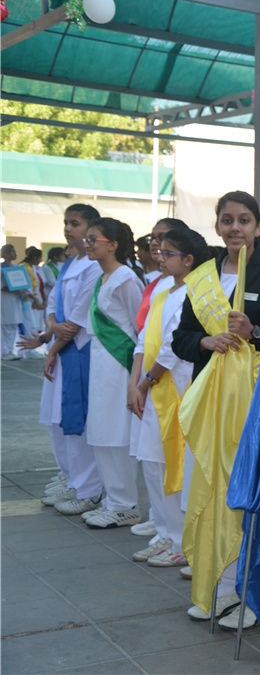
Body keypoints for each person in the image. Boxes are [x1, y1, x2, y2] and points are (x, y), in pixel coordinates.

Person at [171, 191, 260, 626]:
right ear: (217, 226)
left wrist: (254, 331)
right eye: (226, 220)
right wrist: (206, 340)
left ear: (258, 226)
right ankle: (216, 588)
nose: (235, 228)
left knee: (248, 494)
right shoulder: (203, 276)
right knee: (210, 490)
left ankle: (255, 597)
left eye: (243, 220)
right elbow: (181, 337)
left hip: (256, 401)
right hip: (212, 403)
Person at [127, 227, 206, 568]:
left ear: (188, 260)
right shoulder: (163, 290)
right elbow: (144, 339)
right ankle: (165, 532)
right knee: (154, 463)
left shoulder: (194, 292)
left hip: (175, 387)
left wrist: (145, 382)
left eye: (168, 253)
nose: (159, 256)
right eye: (159, 251)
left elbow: (173, 347)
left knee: (174, 465)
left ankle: (181, 540)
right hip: (152, 385)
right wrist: (135, 382)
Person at [25, 204, 105, 516]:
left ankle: (88, 488)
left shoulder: (95, 267)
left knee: (77, 419)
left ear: (92, 229)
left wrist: (54, 344)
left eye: (75, 223)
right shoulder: (70, 263)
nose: (68, 229)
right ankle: (73, 478)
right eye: (66, 223)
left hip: (79, 351)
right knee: (57, 418)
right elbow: (52, 305)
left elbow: (77, 321)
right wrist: (52, 327)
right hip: (61, 348)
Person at [77, 218, 145, 530]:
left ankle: (125, 505)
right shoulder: (102, 278)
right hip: (100, 366)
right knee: (101, 431)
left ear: (113, 245)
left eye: (94, 239)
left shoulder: (126, 279)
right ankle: (112, 500)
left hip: (120, 367)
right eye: (87, 239)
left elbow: (140, 329)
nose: (87, 244)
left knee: (117, 433)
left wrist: (137, 378)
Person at [0, 244, 26, 359]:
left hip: (15, 300)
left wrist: (23, 293)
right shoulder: (1, 268)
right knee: (4, 326)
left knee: (13, 324)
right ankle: (3, 351)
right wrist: (14, 291)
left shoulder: (16, 267)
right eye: (13, 252)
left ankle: (10, 350)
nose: (15, 254)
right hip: (4, 299)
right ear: (6, 254)